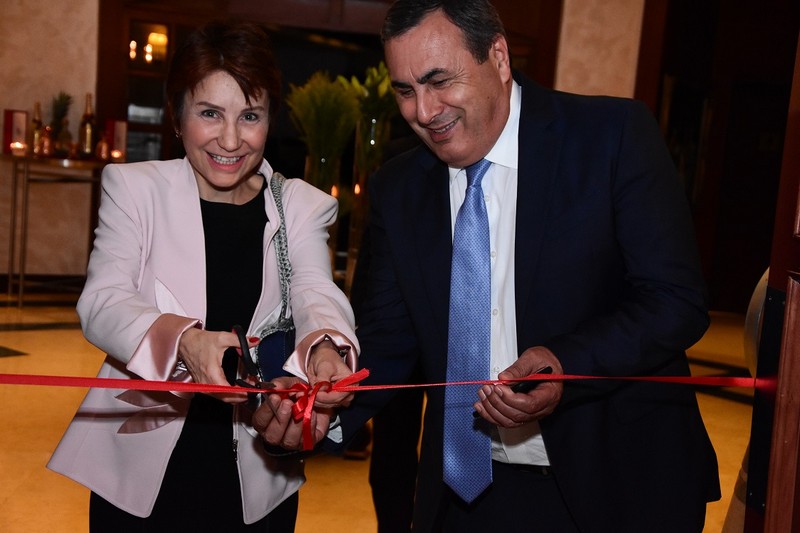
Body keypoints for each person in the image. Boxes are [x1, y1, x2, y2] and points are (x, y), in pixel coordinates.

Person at [256, 0, 721, 531]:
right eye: (405, 91)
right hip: (466, 495)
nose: (423, 111)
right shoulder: (398, 187)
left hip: (617, 484)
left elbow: (675, 301)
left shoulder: (611, 137)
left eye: (439, 81)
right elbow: (389, 339)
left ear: (498, 57)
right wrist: (323, 403)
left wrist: (565, 363)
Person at [47, 20, 358, 532]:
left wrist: (325, 345)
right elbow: (103, 301)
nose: (230, 139)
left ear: (270, 119)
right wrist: (183, 341)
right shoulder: (135, 189)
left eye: (250, 116)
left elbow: (313, 290)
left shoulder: (301, 205)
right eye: (210, 113)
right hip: (141, 464)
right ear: (177, 115)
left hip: (256, 468)